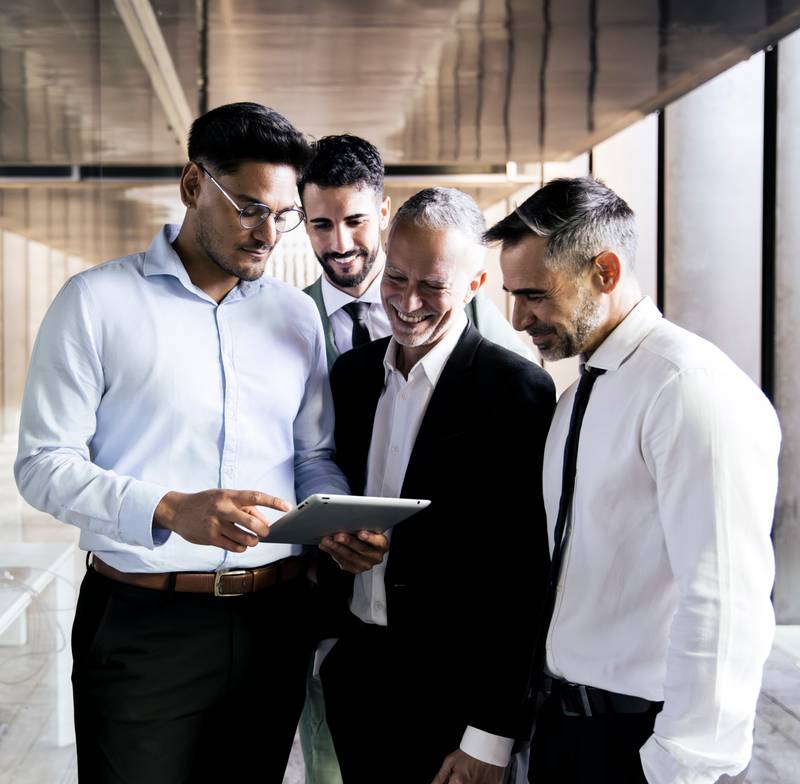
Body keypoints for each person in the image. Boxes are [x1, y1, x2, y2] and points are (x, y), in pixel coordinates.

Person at [14, 102, 386, 784]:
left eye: (283, 216)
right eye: (248, 207)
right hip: (142, 623)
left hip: (275, 621)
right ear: (193, 186)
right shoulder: (95, 303)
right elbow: (43, 465)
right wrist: (167, 507)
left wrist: (334, 517)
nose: (267, 234)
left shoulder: (296, 316)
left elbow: (310, 453)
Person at [485, 176, 781, 784]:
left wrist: (679, 768)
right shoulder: (580, 394)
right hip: (563, 729)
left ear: (606, 271)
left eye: (535, 295)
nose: (519, 319)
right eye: (513, 296)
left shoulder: (689, 388)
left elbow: (726, 599)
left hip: (640, 744)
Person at [296, 133, 537, 784]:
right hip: (358, 673)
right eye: (395, 278)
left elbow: (523, 576)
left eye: (430, 286)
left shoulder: (515, 390)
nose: (404, 303)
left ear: (476, 282)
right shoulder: (350, 374)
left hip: (456, 696)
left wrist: (491, 732)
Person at [299, 133, 535, 363]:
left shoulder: (461, 302)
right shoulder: (294, 315)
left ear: (383, 214)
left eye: (355, 222)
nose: (341, 245)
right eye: (322, 225)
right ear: (305, 223)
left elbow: (524, 383)